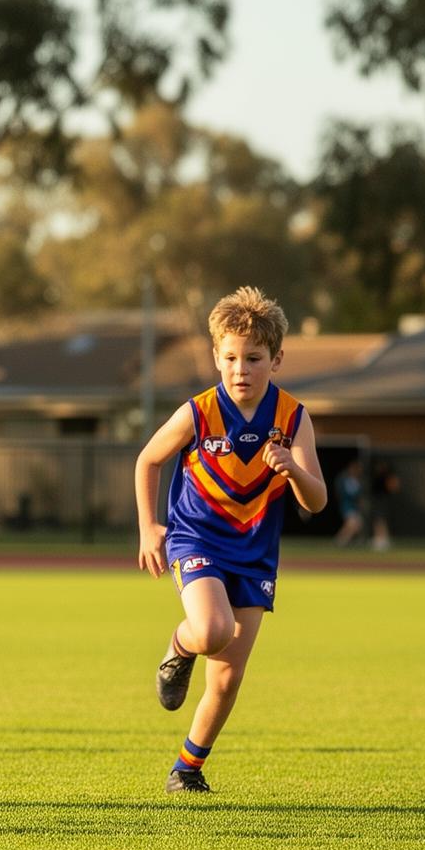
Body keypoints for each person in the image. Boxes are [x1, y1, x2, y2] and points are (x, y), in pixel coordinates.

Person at [133, 287, 327, 794]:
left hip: (256, 553)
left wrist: (293, 471)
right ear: (216, 357)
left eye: (254, 359)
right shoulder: (198, 412)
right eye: (231, 358)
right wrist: (148, 526)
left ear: (276, 359)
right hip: (195, 537)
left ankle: (187, 769)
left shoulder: (292, 418)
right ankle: (180, 645)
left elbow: (317, 501)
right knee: (213, 629)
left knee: (226, 678)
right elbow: (148, 460)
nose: (241, 369)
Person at [333, 458, 366, 547]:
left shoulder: (358, 480)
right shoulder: (344, 478)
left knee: (356, 525)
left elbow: (359, 494)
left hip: (355, 506)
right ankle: (340, 542)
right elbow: (341, 491)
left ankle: (342, 541)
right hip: (346, 505)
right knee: (352, 524)